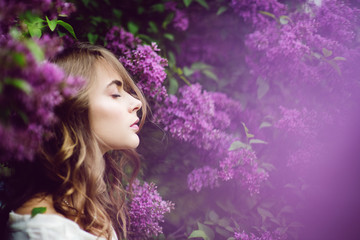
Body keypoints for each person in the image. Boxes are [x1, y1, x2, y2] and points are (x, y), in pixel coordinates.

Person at [0, 43, 148, 240]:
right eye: (115, 94)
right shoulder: (43, 230)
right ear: (72, 109)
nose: (136, 102)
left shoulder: (87, 209)